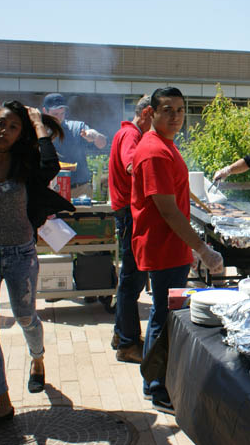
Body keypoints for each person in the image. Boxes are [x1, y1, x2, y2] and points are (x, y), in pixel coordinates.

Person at [0, 101, 74, 431]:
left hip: (20, 255)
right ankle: (3, 404)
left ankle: (37, 357)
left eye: (14, 127)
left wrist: (37, 122)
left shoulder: (26, 164)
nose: (5, 131)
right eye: (2, 123)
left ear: (21, 134)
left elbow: (51, 165)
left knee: (25, 316)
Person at [131, 87, 224, 414]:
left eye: (180, 110)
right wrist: (202, 249)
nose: (175, 116)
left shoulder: (165, 146)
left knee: (163, 314)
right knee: (163, 315)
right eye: (167, 110)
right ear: (152, 114)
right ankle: (156, 387)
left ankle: (152, 381)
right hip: (164, 247)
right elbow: (168, 210)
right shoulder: (155, 150)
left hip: (170, 246)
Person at [108, 95, 151, 364]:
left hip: (127, 214)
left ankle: (120, 334)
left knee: (129, 280)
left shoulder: (128, 133)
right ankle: (128, 344)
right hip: (130, 215)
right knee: (131, 281)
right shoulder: (130, 136)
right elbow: (132, 165)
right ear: (148, 112)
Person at [42, 93, 107, 197]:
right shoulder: (38, 131)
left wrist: (95, 136)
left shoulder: (77, 127)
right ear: (45, 111)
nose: (59, 118)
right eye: (55, 114)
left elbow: (102, 144)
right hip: (49, 190)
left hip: (79, 190)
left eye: (62, 113)